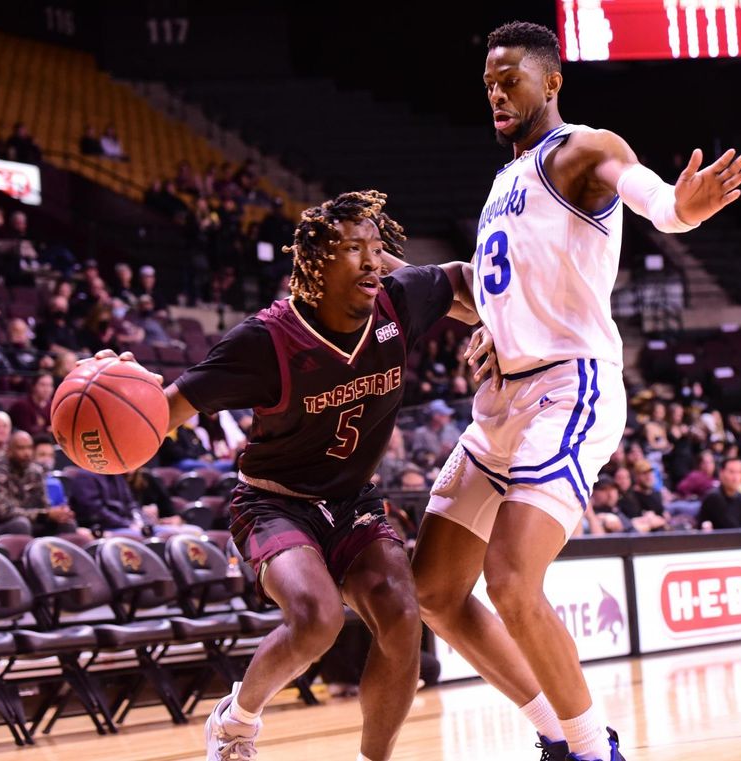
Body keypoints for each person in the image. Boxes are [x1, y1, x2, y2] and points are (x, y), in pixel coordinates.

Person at [410, 21, 741, 761]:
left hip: (570, 388)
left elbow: (659, 203)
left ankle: (596, 750)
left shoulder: (584, 148)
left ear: (551, 81)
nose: (497, 92)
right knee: (434, 589)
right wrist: (491, 322)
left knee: (508, 577)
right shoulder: (503, 182)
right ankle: (555, 732)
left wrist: (684, 207)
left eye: (511, 78)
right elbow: (507, 283)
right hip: (502, 400)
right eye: (489, 84)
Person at [96, 191, 477, 761]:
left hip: (354, 503)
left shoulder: (401, 302)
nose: (374, 261)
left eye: (378, 247)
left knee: (402, 616)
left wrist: (499, 325)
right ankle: (236, 721)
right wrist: (124, 397)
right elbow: (168, 409)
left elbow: (468, 279)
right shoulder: (266, 341)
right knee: (317, 619)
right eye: (355, 249)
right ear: (318, 264)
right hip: (275, 503)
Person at [0, 431, 80, 540]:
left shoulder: (35, 471)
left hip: (30, 521)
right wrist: (45, 514)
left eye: (29, 448)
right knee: (20, 524)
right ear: (9, 450)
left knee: (67, 523)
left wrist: (58, 513)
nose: (27, 453)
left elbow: (43, 506)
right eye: (21, 448)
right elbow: (3, 513)